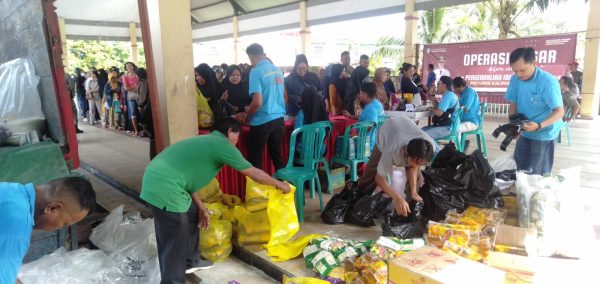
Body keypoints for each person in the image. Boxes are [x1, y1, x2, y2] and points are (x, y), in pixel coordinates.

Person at [140, 117, 290, 283]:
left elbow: (189, 181)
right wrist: (278, 183)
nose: (237, 140)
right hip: (163, 186)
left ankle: (191, 260)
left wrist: (202, 208)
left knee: (192, 213)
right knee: (175, 236)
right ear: (229, 132)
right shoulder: (222, 144)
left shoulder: (207, 142)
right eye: (237, 134)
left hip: (163, 179)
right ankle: (172, 280)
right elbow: (253, 172)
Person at [0, 177, 96, 284]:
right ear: (52, 208)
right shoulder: (17, 230)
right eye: (65, 223)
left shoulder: (11, 190)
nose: (60, 227)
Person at [357, 116, 435, 216]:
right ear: (407, 152)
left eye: (419, 163)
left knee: (417, 181)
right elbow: (379, 178)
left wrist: (414, 192)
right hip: (388, 131)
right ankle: (359, 202)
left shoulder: (427, 146)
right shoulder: (392, 149)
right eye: (415, 161)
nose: (416, 165)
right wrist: (397, 197)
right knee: (370, 175)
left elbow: (413, 167)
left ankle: (408, 212)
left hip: (405, 126)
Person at [506, 47, 564, 175]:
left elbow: (559, 112)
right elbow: (513, 104)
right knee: (520, 169)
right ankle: (523, 192)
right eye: (515, 71)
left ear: (534, 63)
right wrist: (514, 126)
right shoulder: (515, 79)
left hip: (545, 132)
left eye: (522, 70)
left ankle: (539, 194)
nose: (518, 75)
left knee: (540, 173)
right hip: (525, 131)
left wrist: (539, 125)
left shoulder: (547, 82)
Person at [244, 43, 286, 170]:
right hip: (279, 119)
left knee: (255, 161)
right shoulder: (277, 70)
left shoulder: (256, 71)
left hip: (262, 121)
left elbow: (257, 102)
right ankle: (284, 187)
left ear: (251, 58)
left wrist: (247, 114)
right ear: (264, 54)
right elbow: (283, 96)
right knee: (277, 157)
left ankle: (257, 190)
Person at [343, 82, 384, 151]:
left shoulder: (370, 108)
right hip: (376, 141)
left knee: (341, 140)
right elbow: (365, 117)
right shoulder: (377, 104)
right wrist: (350, 116)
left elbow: (370, 126)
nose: (359, 96)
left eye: (360, 93)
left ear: (365, 94)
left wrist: (357, 134)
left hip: (366, 143)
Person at [422, 76, 459, 142]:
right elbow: (437, 107)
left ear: (444, 85)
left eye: (438, 84)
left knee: (423, 135)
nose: (437, 86)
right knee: (419, 132)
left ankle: (437, 151)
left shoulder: (448, 96)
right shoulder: (448, 94)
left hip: (448, 127)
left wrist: (431, 109)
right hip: (446, 124)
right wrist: (432, 94)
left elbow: (438, 113)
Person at [452, 76, 480, 147]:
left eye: (455, 88)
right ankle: (456, 147)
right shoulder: (464, 92)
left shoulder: (469, 92)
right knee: (451, 126)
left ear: (461, 86)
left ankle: (457, 151)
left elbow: (465, 108)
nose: (454, 90)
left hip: (472, 121)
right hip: (465, 120)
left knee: (455, 129)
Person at [123, 62, 141, 136]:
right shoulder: (125, 77)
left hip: (140, 96)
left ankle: (143, 130)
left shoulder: (138, 75)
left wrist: (131, 88)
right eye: (127, 66)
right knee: (133, 113)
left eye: (130, 66)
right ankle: (136, 131)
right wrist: (135, 88)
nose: (129, 67)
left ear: (133, 66)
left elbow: (141, 85)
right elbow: (126, 88)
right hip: (131, 97)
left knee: (141, 112)